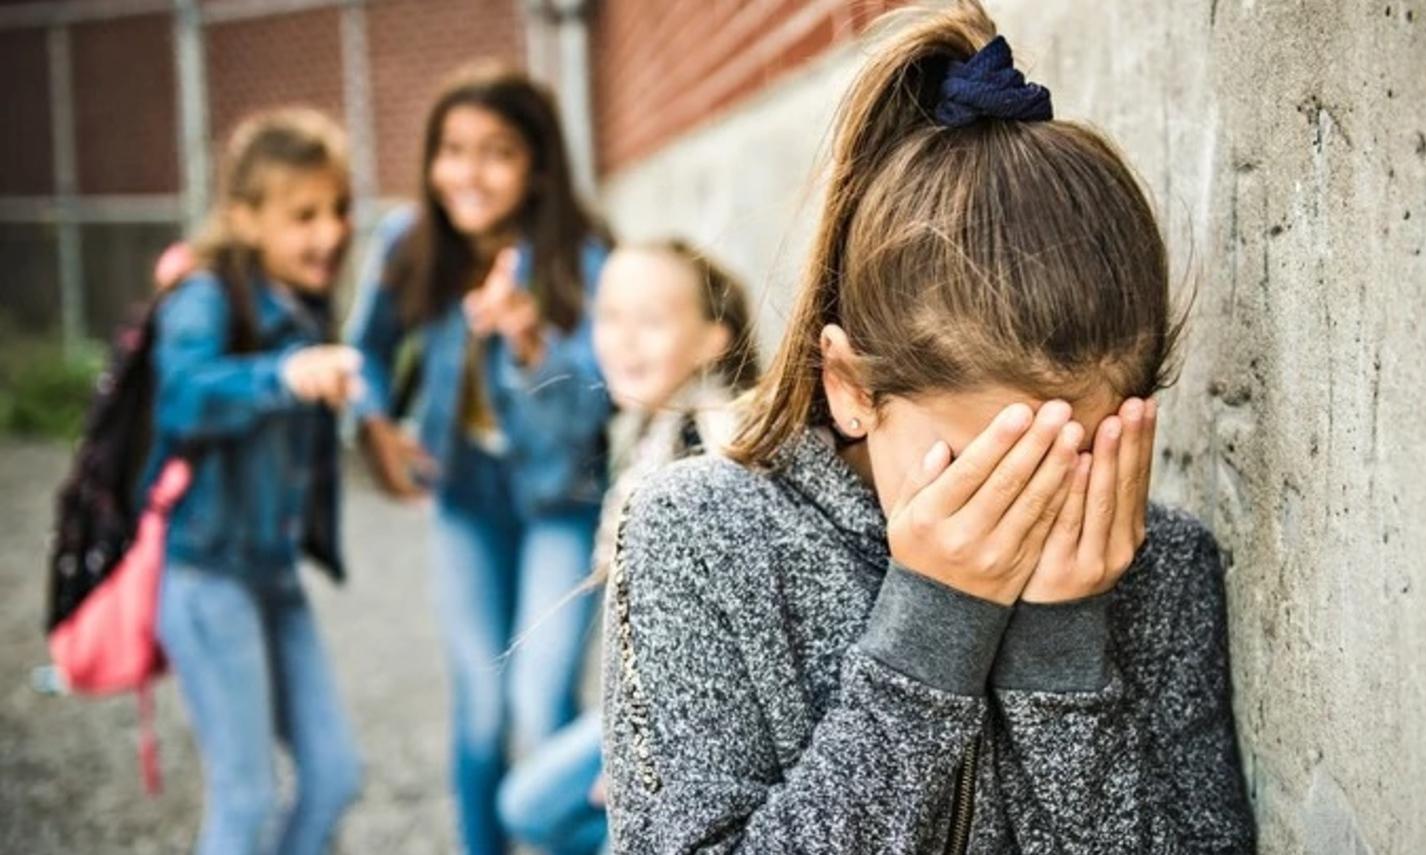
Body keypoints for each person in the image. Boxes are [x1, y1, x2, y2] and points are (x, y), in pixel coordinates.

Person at [601, 3, 1256, 852]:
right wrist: (930, 636)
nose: (1028, 509)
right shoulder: (698, 537)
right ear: (851, 389)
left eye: (1074, 458)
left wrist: (1063, 654)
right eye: (986, 468)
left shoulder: (1160, 570)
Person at [345, 61, 612, 855]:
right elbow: (364, 353)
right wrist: (373, 425)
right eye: (452, 150)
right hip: (466, 497)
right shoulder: (408, 244)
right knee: (483, 708)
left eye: (496, 151)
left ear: (536, 166)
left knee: (540, 700)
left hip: (562, 497)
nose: (469, 172)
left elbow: (599, 406)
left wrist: (531, 340)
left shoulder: (582, 256)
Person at [498, 239, 759, 854]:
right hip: (651, 708)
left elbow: (723, 633)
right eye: (609, 317)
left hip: (700, 726)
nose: (624, 339)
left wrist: (645, 767)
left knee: (557, 815)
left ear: (711, 340)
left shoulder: (716, 441)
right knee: (527, 806)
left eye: (652, 320)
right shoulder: (651, 428)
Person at [152, 108, 363, 855]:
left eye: (337, 209)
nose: (330, 231)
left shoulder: (304, 304)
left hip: (273, 575)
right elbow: (180, 397)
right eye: (303, 214)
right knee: (245, 799)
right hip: (207, 578)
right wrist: (284, 374)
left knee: (336, 774)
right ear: (244, 219)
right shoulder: (206, 295)